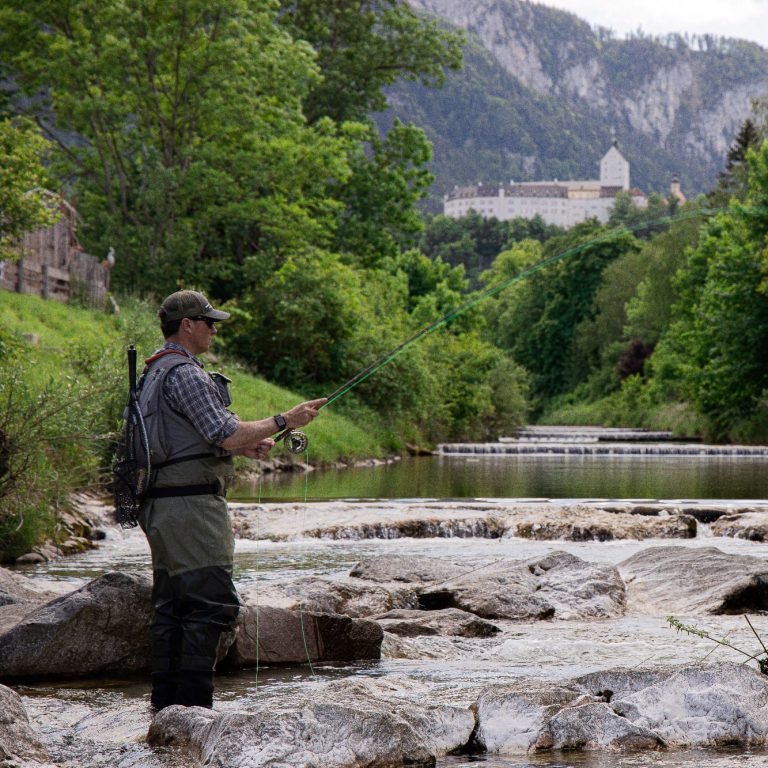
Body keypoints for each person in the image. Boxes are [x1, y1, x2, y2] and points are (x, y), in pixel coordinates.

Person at [137, 289, 326, 712]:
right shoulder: (185, 373)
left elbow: (188, 438)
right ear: (188, 326)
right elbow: (222, 430)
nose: (214, 331)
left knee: (173, 607)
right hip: (190, 508)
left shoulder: (155, 370)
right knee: (211, 606)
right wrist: (284, 420)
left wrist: (241, 449)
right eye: (209, 323)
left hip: (164, 505)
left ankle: (165, 711)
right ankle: (194, 713)